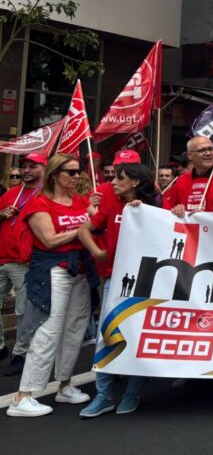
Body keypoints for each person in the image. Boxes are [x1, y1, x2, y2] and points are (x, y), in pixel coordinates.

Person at [6, 155, 98, 417]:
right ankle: (23, 396)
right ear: (55, 175)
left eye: (79, 171)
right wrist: (84, 229)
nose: (77, 177)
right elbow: (49, 240)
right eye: (70, 172)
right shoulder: (39, 204)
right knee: (49, 330)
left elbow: (98, 222)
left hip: (80, 271)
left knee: (75, 330)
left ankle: (65, 385)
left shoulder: (80, 201)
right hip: (52, 272)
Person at [77, 162, 161, 418]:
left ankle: (132, 392)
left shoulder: (156, 207)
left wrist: (146, 213)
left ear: (135, 182)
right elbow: (84, 229)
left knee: (137, 336)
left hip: (147, 280)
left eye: (119, 178)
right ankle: (103, 395)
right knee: (107, 334)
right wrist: (97, 252)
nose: (112, 182)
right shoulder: (111, 202)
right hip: (116, 278)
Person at [0, 153, 47, 375]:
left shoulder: (46, 195)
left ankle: (20, 353)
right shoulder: (10, 194)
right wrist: (1, 214)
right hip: (2, 258)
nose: (27, 170)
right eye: (24, 167)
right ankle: (1, 347)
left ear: (44, 169)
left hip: (24, 262)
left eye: (32, 166)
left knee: (22, 311)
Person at [163, 137, 213, 215]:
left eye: (210, 149)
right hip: (189, 229)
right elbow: (170, 209)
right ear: (189, 155)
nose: (208, 153)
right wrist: (177, 209)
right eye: (202, 150)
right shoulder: (182, 179)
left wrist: (206, 217)